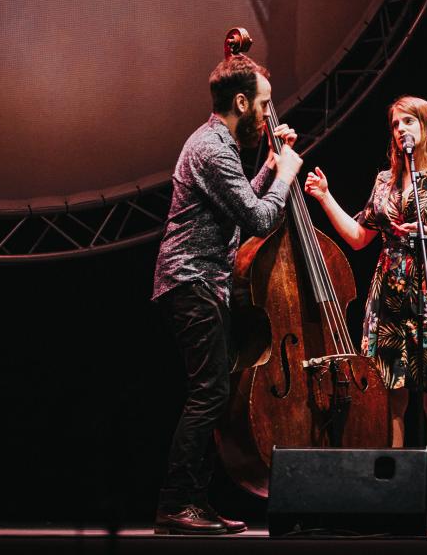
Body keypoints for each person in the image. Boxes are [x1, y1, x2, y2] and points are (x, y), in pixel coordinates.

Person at [305, 95, 427, 535]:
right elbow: (360, 237)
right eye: (394, 123)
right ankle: (395, 494)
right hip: (389, 295)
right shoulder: (385, 181)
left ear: (426, 126)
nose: (401, 128)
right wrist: (326, 198)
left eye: (409, 121)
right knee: (391, 396)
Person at [152, 54, 302, 535]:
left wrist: (272, 168)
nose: (265, 114)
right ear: (241, 101)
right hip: (192, 279)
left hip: (201, 281)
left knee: (210, 392)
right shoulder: (214, 148)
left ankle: (192, 501)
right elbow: (259, 218)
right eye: (262, 104)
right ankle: (178, 503)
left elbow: (241, 203)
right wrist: (284, 176)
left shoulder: (218, 145)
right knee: (210, 392)